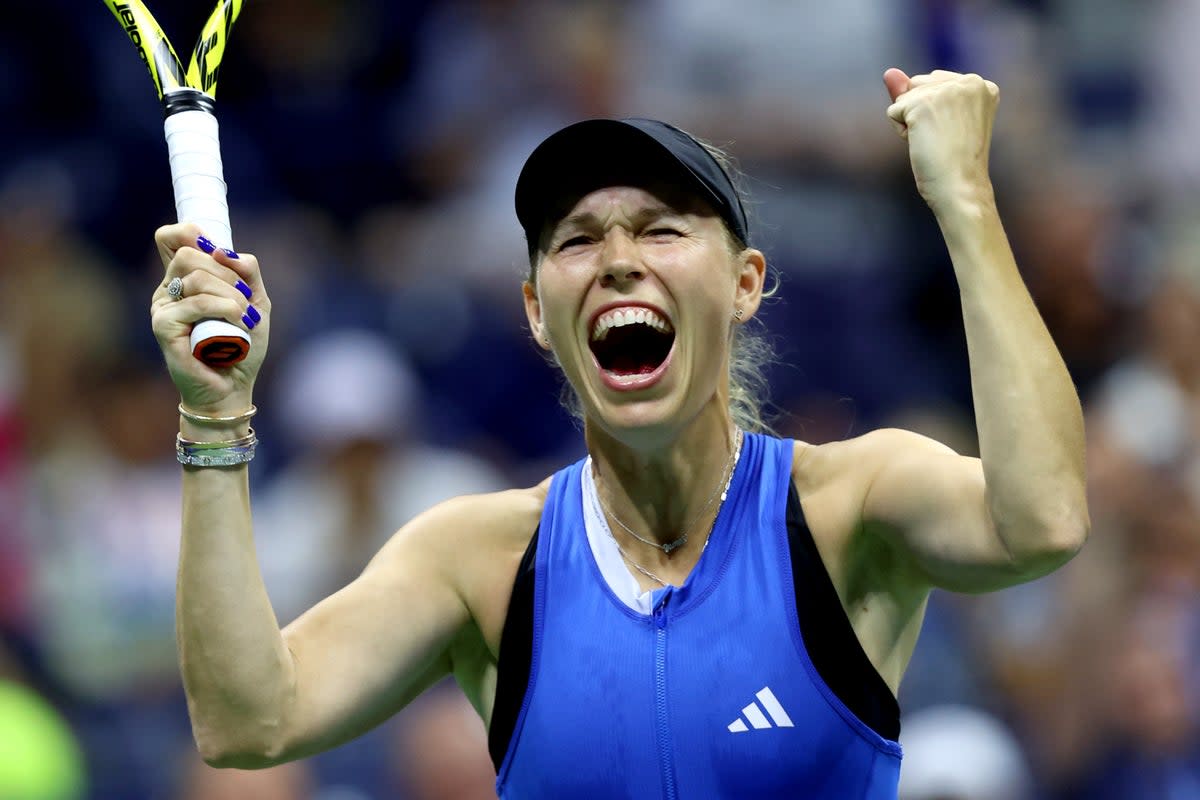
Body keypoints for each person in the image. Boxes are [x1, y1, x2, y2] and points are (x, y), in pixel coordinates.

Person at [149, 67, 1089, 798]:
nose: (619, 263)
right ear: (533, 308)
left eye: (661, 229)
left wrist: (965, 203)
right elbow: (247, 722)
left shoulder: (849, 506)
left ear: (747, 283)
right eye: (577, 239)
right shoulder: (477, 560)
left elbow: (1041, 519)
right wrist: (214, 414)